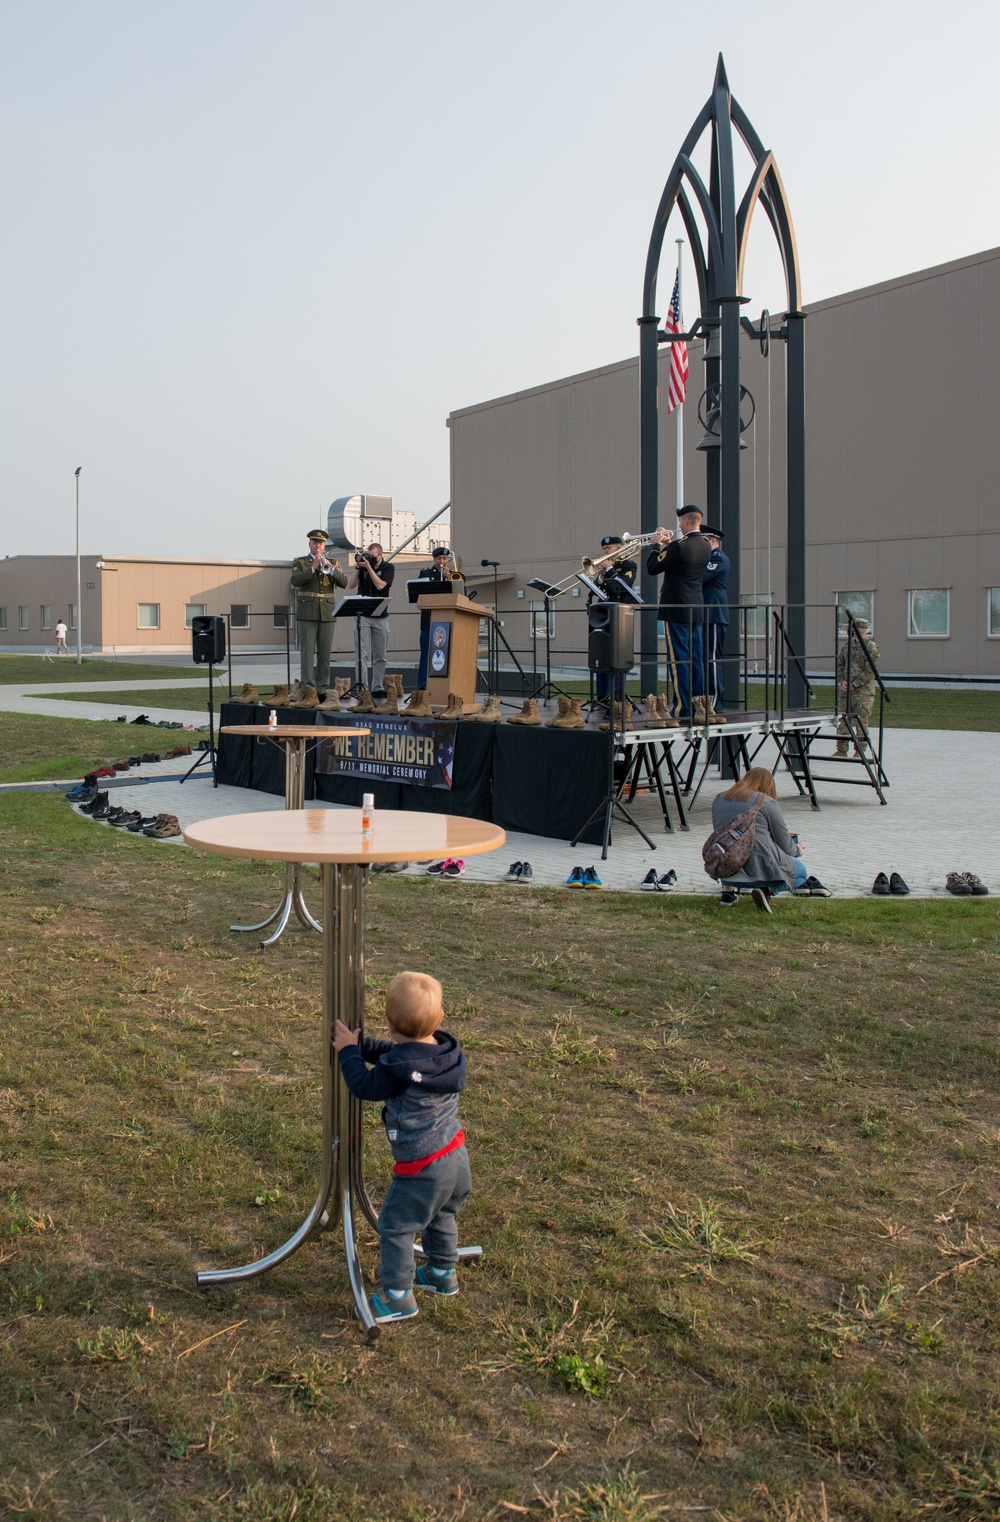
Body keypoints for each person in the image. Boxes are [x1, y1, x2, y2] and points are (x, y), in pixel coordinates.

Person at [333, 971, 470, 1325]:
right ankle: (442, 1272)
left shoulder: (397, 1069)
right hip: (455, 1157)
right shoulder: (445, 1052)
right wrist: (362, 1044)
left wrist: (348, 1052)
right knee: (441, 1214)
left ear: (389, 1022)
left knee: (395, 1225)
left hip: (421, 1169)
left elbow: (363, 1083)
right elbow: (397, 1053)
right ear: (439, 1019)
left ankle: (397, 1295)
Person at [710, 767, 829, 909]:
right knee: (800, 872)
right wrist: (798, 850)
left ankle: (728, 892)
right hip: (758, 866)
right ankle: (767, 890)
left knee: (733, 846)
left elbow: (731, 832)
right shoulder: (765, 802)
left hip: (724, 865)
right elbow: (785, 844)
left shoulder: (719, 799)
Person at [646, 505, 712, 720]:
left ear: (684, 521)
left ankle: (682, 708)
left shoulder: (679, 546)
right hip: (696, 607)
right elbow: (679, 560)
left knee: (679, 661)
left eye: (679, 522)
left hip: (676, 608)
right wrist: (668, 544)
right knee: (696, 659)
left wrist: (656, 546)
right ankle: (701, 705)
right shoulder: (705, 545)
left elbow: (653, 568)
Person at [290, 529, 347, 694]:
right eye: (315, 542)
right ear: (309, 544)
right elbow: (295, 580)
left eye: (320, 543)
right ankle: (308, 688)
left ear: (324, 546)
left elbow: (344, 582)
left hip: (327, 611)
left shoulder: (333, 563)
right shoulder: (300, 562)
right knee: (307, 653)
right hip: (307, 611)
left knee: (325, 652)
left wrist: (329, 567)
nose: (318, 546)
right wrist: (313, 568)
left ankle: (322, 688)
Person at [591, 535, 637, 708]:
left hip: (619, 615)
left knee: (617, 657)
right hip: (603, 613)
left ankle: (616, 698)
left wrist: (609, 569)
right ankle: (602, 696)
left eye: (608, 549)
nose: (605, 552)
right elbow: (599, 589)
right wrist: (601, 577)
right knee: (600, 655)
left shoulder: (629, 565)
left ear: (619, 548)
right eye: (603, 549)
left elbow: (625, 585)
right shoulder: (606, 568)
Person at [347, 541, 395, 697]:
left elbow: (381, 585)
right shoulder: (362, 568)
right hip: (363, 616)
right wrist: (357, 567)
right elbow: (351, 585)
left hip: (380, 616)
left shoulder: (388, 568)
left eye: (372, 557)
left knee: (380, 654)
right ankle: (363, 688)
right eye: (368, 556)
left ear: (380, 556)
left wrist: (369, 568)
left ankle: (377, 687)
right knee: (362, 653)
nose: (370, 559)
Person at [416, 547, 460, 688]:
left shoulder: (454, 575)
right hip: (429, 621)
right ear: (434, 559)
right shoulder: (425, 573)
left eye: (445, 558)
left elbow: (461, 595)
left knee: (448, 656)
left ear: (448, 560)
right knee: (426, 656)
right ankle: (422, 688)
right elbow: (419, 595)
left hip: (448, 621)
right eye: (439, 558)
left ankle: (445, 688)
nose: (442, 561)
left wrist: (448, 578)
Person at [835, 616, 880, 756]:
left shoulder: (871, 648)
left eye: (862, 632)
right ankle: (841, 749)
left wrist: (855, 684)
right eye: (857, 632)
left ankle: (860, 750)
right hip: (845, 690)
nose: (859, 635)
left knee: (861, 720)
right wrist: (842, 681)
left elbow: (870, 670)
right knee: (843, 718)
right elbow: (840, 665)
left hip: (863, 692)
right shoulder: (847, 646)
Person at [701, 527, 730, 710]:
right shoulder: (708, 558)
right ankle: (704, 698)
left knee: (711, 658)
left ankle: (715, 700)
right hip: (704, 614)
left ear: (712, 541)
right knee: (703, 658)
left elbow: (700, 576)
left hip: (714, 614)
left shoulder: (718, 558)